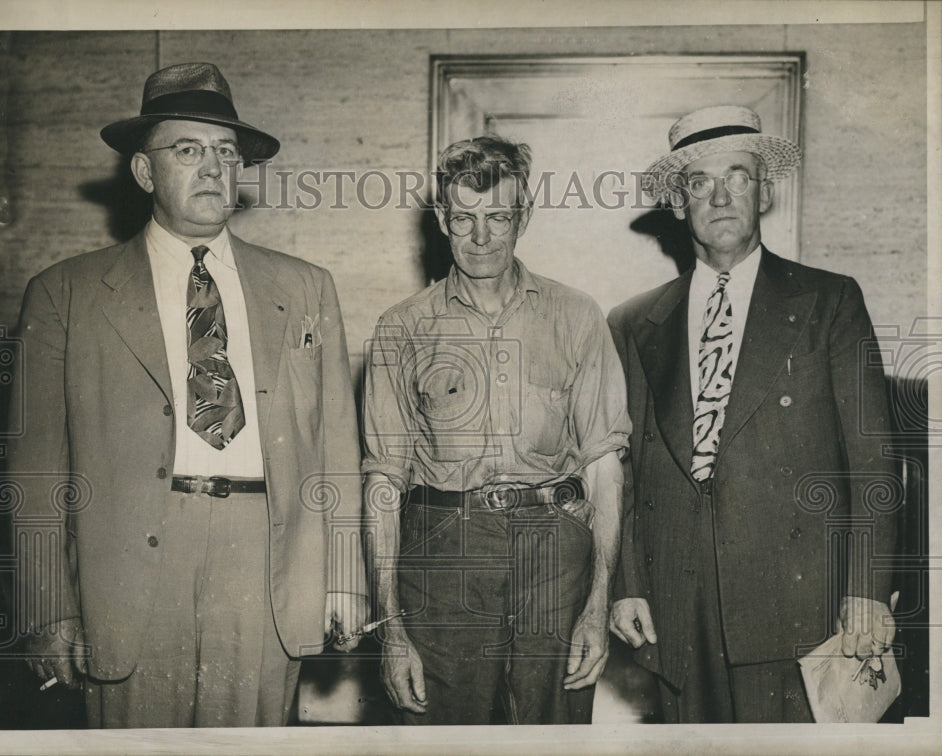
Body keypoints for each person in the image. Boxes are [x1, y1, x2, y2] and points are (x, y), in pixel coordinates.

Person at [8, 62, 367, 728]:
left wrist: (344, 574)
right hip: (127, 566)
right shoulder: (66, 293)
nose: (212, 168)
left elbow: (335, 446)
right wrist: (46, 606)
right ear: (145, 173)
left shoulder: (307, 287)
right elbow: (35, 468)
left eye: (226, 153)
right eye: (188, 150)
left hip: (264, 558)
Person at [607, 105, 898, 723]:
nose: (719, 196)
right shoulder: (633, 322)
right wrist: (628, 581)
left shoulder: (828, 301)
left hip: (796, 601)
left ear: (763, 191)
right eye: (698, 182)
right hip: (676, 606)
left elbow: (872, 457)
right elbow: (626, 471)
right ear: (678, 202)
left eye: (737, 176)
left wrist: (867, 588)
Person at [361, 136, 631, 724]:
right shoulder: (401, 328)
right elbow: (383, 483)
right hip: (444, 549)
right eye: (464, 219)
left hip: (554, 551)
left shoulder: (576, 316)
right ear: (442, 219)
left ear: (523, 216)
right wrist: (391, 629)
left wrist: (596, 604)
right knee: (442, 736)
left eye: (498, 218)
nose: (481, 237)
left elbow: (604, 468)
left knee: (553, 733)